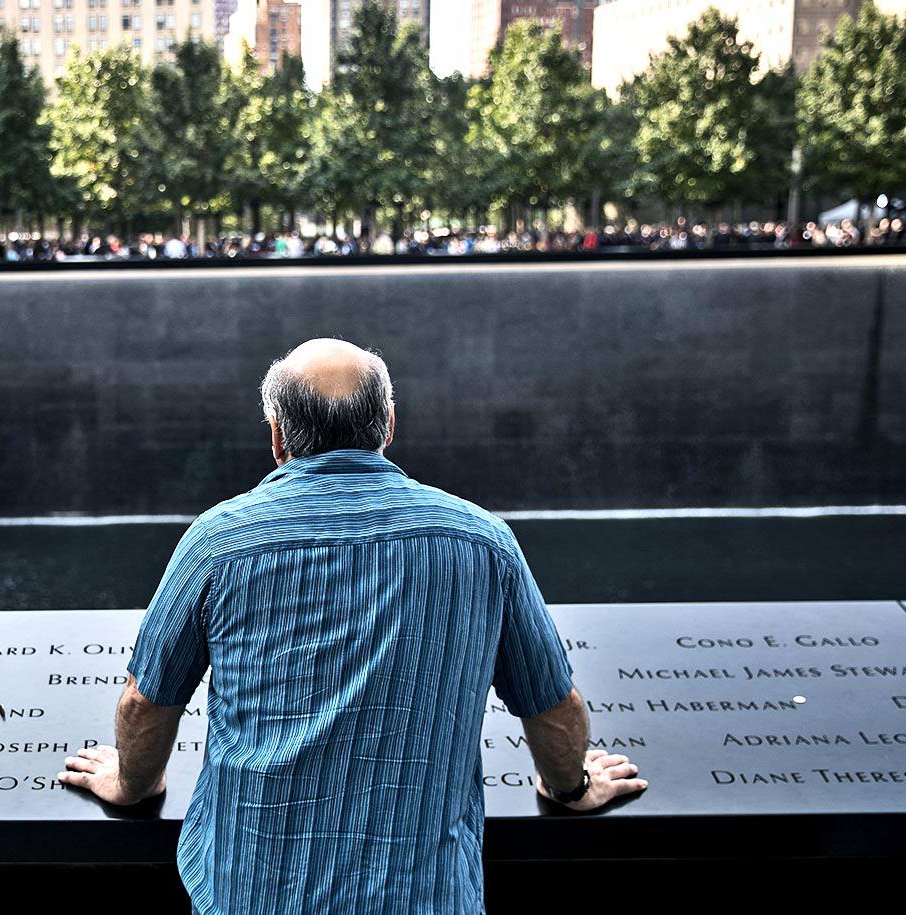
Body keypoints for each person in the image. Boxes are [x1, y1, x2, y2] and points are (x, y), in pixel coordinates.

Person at [59, 338, 647, 913]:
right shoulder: (482, 542)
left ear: (276, 436)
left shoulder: (219, 542)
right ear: (388, 425)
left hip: (251, 893)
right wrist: (568, 788)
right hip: (424, 897)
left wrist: (130, 786)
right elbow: (552, 703)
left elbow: (146, 703)